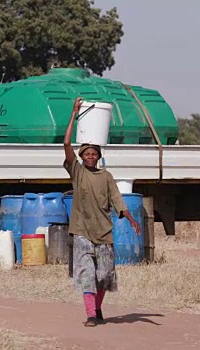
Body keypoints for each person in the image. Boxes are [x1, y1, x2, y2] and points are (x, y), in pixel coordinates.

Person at [63, 97, 141, 327]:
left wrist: (129, 216)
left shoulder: (106, 176)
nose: (90, 157)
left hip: (104, 233)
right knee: (87, 275)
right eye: (86, 154)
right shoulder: (77, 172)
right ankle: (90, 315)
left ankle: (97, 308)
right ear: (81, 156)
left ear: (98, 156)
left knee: (104, 276)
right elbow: (67, 144)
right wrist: (74, 113)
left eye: (93, 154)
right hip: (82, 232)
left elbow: (116, 197)